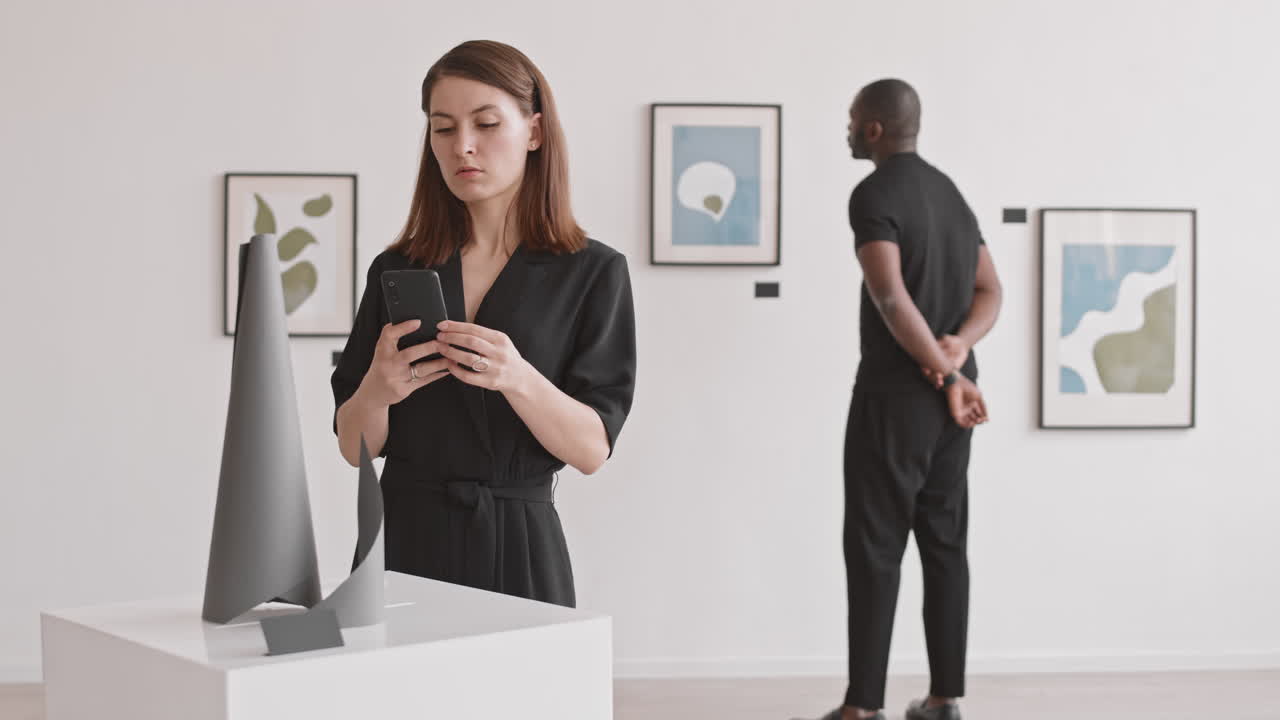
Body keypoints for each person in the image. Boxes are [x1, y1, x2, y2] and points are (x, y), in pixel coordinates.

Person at [331, 40, 636, 608]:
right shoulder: (398, 269)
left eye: (486, 123)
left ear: (535, 132)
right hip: (402, 540)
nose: (462, 146)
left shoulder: (593, 272)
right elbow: (356, 447)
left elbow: (592, 450)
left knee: (521, 697)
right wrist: (377, 389)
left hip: (517, 543)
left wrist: (515, 376)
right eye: (442, 128)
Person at [796, 79, 1002, 720]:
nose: (849, 130)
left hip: (899, 397)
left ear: (876, 128)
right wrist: (960, 352)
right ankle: (945, 699)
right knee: (945, 544)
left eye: (854, 120)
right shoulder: (951, 195)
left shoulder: (873, 193)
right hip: (955, 403)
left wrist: (941, 373)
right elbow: (991, 291)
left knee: (875, 546)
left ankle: (862, 707)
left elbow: (890, 298)